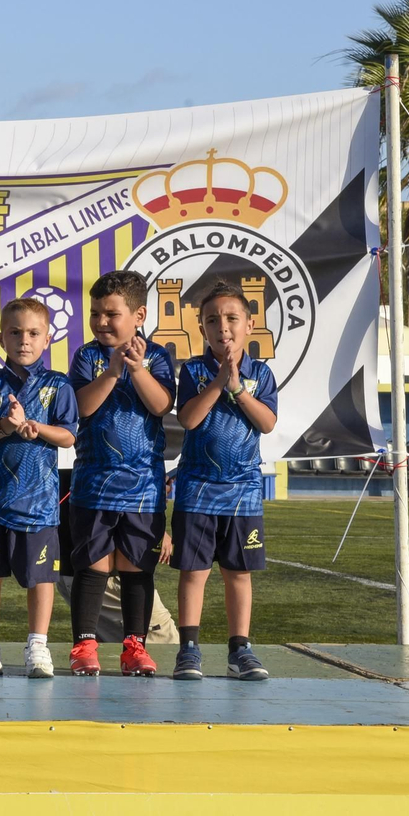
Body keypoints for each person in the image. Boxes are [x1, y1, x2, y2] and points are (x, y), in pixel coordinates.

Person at [66, 270, 175, 677]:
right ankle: (84, 645)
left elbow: (161, 405)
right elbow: (82, 408)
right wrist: (112, 372)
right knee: (92, 566)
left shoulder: (159, 356)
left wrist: (137, 369)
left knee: (136, 568)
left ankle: (135, 646)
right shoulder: (87, 357)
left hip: (143, 487)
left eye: (111, 313)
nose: (101, 322)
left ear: (139, 315)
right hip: (93, 483)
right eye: (95, 313)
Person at [0, 297, 79, 679]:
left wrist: (35, 426)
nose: (24, 341)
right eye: (15, 333)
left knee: (41, 579)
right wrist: (6, 427)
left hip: (40, 503)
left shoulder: (58, 384)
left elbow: (67, 436)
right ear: (1, 337)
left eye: (33, 333)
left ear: (48, 338)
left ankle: (38, 645)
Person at [171, 280, 279, 683]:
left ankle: (240, 649)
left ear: (249, 325)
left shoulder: (261, 374)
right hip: (196, 492)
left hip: (244, 495)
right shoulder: (194, 372)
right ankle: (189, 649)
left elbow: (267, 423)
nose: (223, 327)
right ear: (202, 329)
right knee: (193, 572)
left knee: (238, 572)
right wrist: (219, 382)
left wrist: (238, 388)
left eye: (232, 318)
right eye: (212, 320)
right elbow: (188, 419)